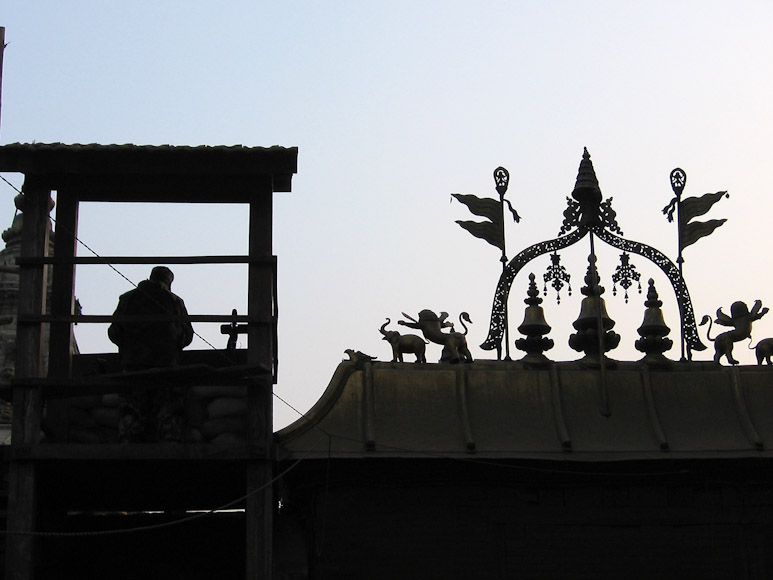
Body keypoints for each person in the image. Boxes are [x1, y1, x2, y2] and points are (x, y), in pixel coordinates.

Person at [108, 266, 194, 442]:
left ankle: (129, 450)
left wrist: (128, 348)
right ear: (168, 282)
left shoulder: (127, 298)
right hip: (167, 368)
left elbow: (114, 332)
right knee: (168, 413)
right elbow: (187, 336)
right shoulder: (175, 301)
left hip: (133, 367)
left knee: (132, 413)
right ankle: (168, 449)